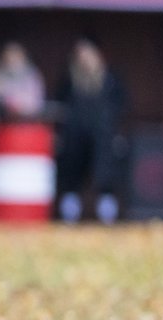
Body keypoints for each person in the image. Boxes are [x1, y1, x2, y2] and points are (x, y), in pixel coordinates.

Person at [54, 39, 127, 224]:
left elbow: (121, 104)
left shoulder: (109, 79)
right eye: (81, 55)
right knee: (72, 177)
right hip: (74, 137)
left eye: (88, 54)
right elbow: (61, 105)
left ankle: (107, 215)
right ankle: (69, 215)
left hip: (102, 136)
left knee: (105, 177)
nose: (84, 59)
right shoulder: (70, 80)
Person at [0, 42, 45, 121]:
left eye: (15, 56)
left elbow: (36, 101)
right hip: (4, 121)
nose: (12, 60)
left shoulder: (31, 75)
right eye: (9, 57)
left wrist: (20, 106)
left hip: (28, 122)